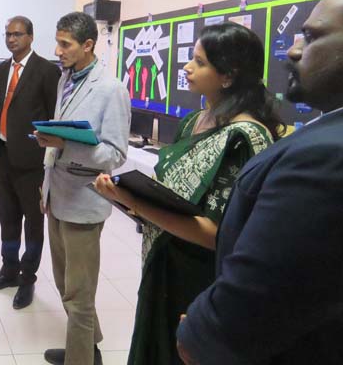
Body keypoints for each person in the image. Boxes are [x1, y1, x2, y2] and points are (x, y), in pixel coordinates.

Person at [176, 0, 343, 365]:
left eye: (312, 37)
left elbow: (263, 289)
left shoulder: (331, 156)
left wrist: (201, 333)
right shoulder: (336, 133)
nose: (293, 50)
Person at [95, 21, 283, 365]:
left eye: (199, 62)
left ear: (228, 75)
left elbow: (217, 234)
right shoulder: (194, 121)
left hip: (198, 278)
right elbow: (173, 197)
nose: (186, 67)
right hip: (164, 264)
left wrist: (136, 202)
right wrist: (128, 200)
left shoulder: (244, 138)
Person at [37, 12, 130, 365]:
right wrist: (47, 176)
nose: (57, 50)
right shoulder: (67, 79)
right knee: (65, 284)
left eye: (65, 44)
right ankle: (87, 347)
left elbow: (116, 154)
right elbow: (62, 136)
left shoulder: (111, 88)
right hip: (57, 195)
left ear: (88, 45)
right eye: (57, 42)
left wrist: (67, 143)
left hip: (84, 201)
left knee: (78, 293)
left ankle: (81, 359)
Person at [0, 16, 59, 310]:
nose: (11, 39)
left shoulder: (47, 71)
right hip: (3, 156)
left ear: (31, 36)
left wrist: (48, 158)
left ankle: (28, 278)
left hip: (33, 162)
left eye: (17, 34)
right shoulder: (0, 70)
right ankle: (9, 270)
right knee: (8, 219)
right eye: (8, 34)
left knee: (33, 224)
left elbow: (53, 117)